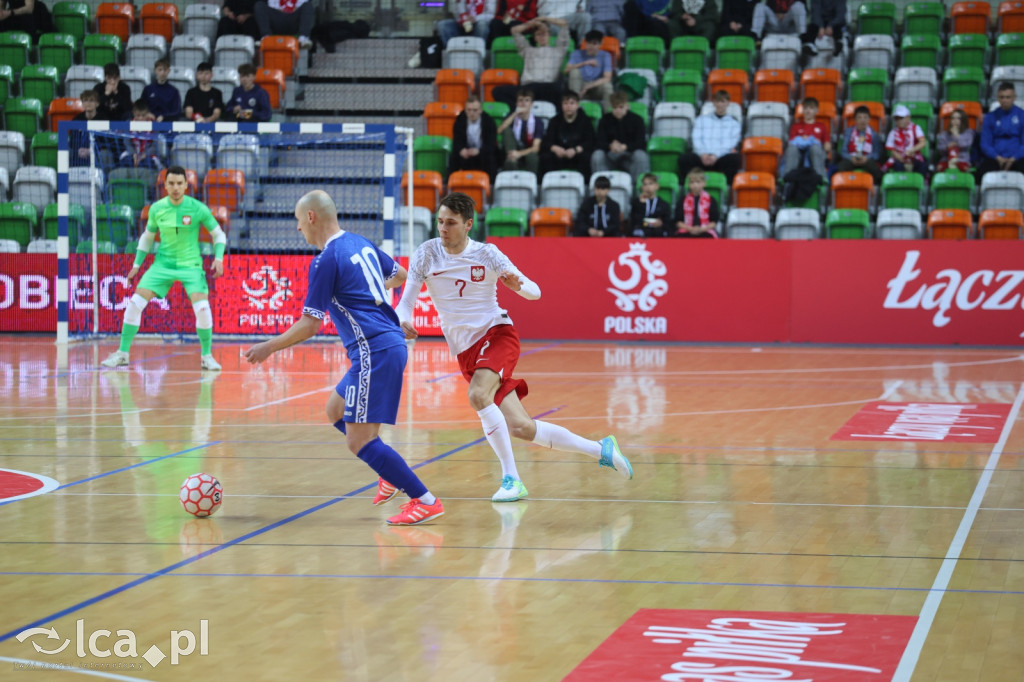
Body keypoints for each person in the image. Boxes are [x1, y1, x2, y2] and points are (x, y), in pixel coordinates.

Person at [395, 192, 633, 503]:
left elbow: (535, 292)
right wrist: (403, 320)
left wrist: (517, 285)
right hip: (465, 350)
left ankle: (512, 478)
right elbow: (405, 304)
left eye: (450, 223)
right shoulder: (426, 254)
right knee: (521, 426)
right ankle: (600, 449)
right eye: (440, 222)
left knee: (478, 395)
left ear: (468, 224)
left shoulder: (488, 254)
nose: (443, 228)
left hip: (496, 334)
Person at [244, 191, 445, 526]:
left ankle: (424, 500)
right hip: (385, 344)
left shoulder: (326, 260)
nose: (298, 229)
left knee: (359, 440)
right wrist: (384, 311)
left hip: (374, 350)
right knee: (335, 410)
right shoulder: (360, 242)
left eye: (297, 221)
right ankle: (389, 472)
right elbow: (399, 276)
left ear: (311, 217)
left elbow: (310, 324)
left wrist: (270, 346)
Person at [101, 166, 226, 371]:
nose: (175, 188)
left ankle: (207, 356)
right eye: (171, 183)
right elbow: (147, 237)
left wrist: (219, 258)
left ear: (186, 185)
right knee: (134, 303)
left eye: (179, 183)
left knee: (202, 309)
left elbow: (218, 234)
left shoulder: (197, 208)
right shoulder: (157, 209)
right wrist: (136, 265)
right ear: (165, 186)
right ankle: (122, 353)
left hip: (191, 265)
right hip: (162, 264)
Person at [493, 16, 570, 110]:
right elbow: (514, 30)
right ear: (535, 37)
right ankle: (519, 111)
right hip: (528, 88)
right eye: (538, 34)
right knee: (497, 91)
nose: (542, 36)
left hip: (547, 88)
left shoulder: (558, 51)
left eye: (544, 33)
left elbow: (565, 24)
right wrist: (533, 22)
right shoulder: (528, 50)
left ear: (549, 34)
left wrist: (545, 18)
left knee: (560, 91)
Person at [677, 90, 742, 185]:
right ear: (714, 103)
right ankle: (689, 187)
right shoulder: (701, 120)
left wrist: (716, 155)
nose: (720, 104)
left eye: (723, 101)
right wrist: (703, 154)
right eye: (718, 101)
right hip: (702, 157)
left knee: (734, 159)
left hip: (720, 159)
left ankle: (726, 189)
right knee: (684, 159)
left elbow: (730, 143)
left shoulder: (734, 124)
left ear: (728, 103)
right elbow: (696, 139)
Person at [591, 90, 649, 182]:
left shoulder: (637, 120)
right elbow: (598, 142)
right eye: (615, 107)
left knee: (641, 156)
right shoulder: (605, 120)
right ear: (611, 107)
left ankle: (636, 188)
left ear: (627, 106)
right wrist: (610, 146)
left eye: (621, 107)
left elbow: (641, 143)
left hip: (629, 157)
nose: (618, 110)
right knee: (597, 155)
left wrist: (625, 147)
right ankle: (601, 186)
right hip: (610, 156)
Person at [540, 89, 595, 177]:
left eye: (571, 103)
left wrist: (576, 150)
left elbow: (590, 141)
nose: (568, 106)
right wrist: (555, 148)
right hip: (559, 155)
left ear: (577, 105)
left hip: (577, 155)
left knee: (587, 157)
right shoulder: (555, 121)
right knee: (546, 157)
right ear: (561, 105)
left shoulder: (585, 121)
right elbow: (546, 141)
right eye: (565, 103)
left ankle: (584, 187)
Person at [977, 82, 1024, 180]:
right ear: (998, 98)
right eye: (1002, 97)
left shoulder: (1022, 116)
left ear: (1014, 98)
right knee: (980, 174)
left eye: (1008, 97)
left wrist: (1013, 158)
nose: (1004, 100)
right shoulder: (990, 117)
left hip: (1018, 158)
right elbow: (985, 144)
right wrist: (997, 157)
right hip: (995, 159)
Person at [449, 94, 499, 182]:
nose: (472, 113)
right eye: (469, 110)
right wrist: (461, 150)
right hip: (466, 153)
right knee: (453, 158)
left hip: (483, 153)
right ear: (465, 110)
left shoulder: (489, 122)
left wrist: (479, 151)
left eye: (475, 110)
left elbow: (491, 144)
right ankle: (450, 184)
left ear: (480, 110)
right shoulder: (459, 120)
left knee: (491, 158)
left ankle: (491, 186)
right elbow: (457, 139)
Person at [497, 88, 545, 174]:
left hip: (527, 152)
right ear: (516, 103)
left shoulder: (537, 122)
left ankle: (531, 183)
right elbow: (499, 131)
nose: (523, 103)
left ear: (531, 104)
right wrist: (515, 114)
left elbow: (536, 148)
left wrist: (519, 153)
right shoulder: (511, 117)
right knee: (507, 130)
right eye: (520, 100)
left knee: (533, 157)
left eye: (527, 100)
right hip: (512, 150)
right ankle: (511, 158)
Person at [565, 30, 614, 112]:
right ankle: (574, 109)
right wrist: (585, 63)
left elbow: (607, 78)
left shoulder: (605, 55)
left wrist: (588, 87)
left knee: (608, 86)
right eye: (588, 43)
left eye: (594, 43)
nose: (590, 46)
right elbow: (566, 70)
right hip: (579, 86)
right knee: (574, 72)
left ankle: (608, 116)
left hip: (595, 86)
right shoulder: (576, 53)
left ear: (600, 44)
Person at [784, 96, 830, 178]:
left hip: (815, 154)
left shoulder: (822, 126)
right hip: (799, 155)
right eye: (805, 108)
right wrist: (801, 140)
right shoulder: (796, 126)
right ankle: (788, 178)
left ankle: (821, 179)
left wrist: (815, 141)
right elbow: (790, 143)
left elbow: (827, 147)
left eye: (811, 108)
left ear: (816, 110)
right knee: (792, 149)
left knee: (815, 148)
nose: (808, 111)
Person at [836, 104, 882, 184]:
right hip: (851, 159)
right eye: (859, 117)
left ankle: (874, 190)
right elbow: (843, 152)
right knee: (840, 167)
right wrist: (851, 158)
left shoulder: (874, 134)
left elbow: (877, 154)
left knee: (876, 171)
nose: (862, 120)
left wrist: (866, 158)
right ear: (855, 119)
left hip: (867, 160)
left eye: (865, 117)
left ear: (869, 119)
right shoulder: (848, 132)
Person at [118, 100, 164, 170]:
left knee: (146, 163)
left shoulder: (154, 125)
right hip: (132, 152)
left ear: (148, 114)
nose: (140, 118)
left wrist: (144, 155)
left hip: (148, 154)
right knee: (127, 161)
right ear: (133, 113)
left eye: (143, 115)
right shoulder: (128, 124)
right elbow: (127, 142)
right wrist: (134, 154)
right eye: (138, 115)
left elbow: (155, 145)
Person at [883, 104, 928, 176]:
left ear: (908, 117)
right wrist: (900, 157)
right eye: (897, 119)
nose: (899, 121)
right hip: (899, 158)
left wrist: (912, 150)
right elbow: (892, 150)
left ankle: (922, 183)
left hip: (914, 156)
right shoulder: (893, 132)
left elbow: (923, 142)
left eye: (901, 118)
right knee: (897, 165)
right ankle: (901, 184)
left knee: (922, 164)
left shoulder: (915, 128)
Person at [675, 168, 719, 237]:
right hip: (687, 229)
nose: (695, 185)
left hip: (705, 230)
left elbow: (714, 222)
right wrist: (690, 229)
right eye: (692, 182)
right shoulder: (683, 200)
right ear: (688, 184)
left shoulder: (711, 200)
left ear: (704, 183)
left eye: (698, 182)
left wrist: (701, 229)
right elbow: (678, 222)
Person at [71, 90, 110, 168]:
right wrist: (78, 149)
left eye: (91, 100)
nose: (88, 103)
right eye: (85, 100)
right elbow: (72, 140)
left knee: (105, 154)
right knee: (67, 152)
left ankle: (103, 179)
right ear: (82, 103)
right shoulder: (77, 119)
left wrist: (91, 150)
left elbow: (106, 142)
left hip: (97, 150)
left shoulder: (103, 119)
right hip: (80, 149)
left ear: (97, 104)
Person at [630, 172, 671, 237]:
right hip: (642, 229)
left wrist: (661, 223)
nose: (647, 187)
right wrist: (641, 204)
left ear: (657, 186)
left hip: (658, 230)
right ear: (642, 187)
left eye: (650, 184)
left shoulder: (663, 204)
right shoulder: (636, 203)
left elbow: (667, 222)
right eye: (645, 184)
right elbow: (634, 220)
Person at [142, 58, 182, 123]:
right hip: (149, 123)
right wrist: (148, 114)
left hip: (167, 124)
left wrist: (164, 116)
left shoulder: (174, 91)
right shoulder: (148, 89)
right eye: (160, 70)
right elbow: (142, 107)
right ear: (155, 71)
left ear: (168, 71)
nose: (162, 72)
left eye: (165, 70)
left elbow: (177, 112)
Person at [936, 109, 976, 173]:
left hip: (962, 160)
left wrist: (956, 135)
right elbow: (940, 149)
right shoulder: (944, 134)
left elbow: (967, 145)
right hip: (946, 160)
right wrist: (947, 147)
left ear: (963, 120)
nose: (955, 120)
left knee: (965, 169)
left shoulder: (969, 132)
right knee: (938, 168)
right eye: (953, 118)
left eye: (958, 118)